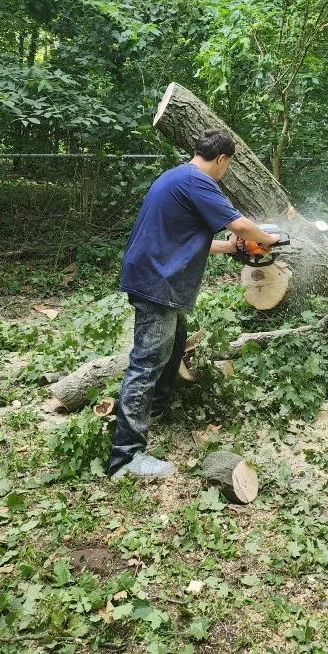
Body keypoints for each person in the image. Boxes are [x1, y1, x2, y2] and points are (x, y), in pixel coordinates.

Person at [108, 129, 280, 481]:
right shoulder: (198, 181)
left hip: (159, 276)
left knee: (173, 349)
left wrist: (232, 247)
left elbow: (186, 239)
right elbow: (239, 224)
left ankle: (154, 411)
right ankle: (125, 457)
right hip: (157, 281)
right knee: (146, 363)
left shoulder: (177, 177)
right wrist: (269, 238)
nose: (224, 172)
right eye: (227, 166)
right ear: (222, 159)